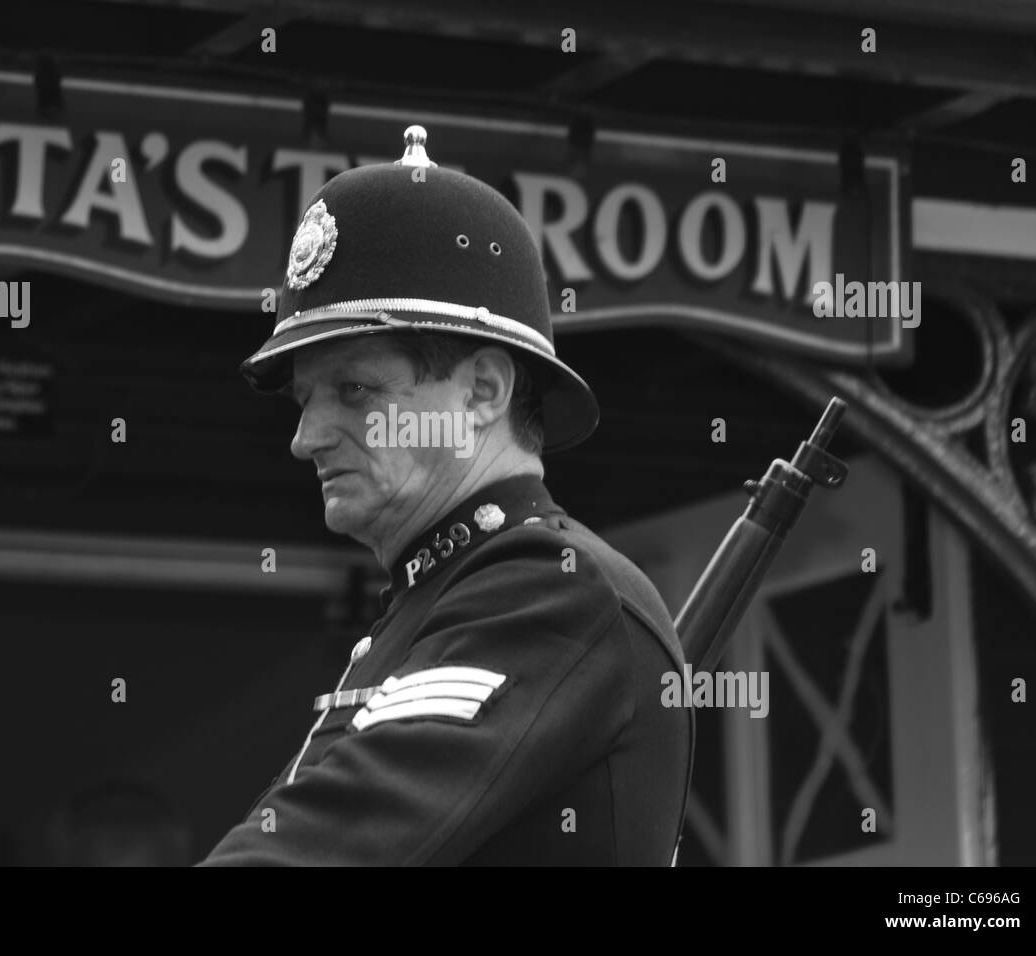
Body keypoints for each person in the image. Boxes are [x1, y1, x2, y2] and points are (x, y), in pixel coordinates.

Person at [200, 127, 693, 865]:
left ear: (483, 390)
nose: (307, 438)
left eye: (354, 389)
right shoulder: (448, 598)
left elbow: (323, 849)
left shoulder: (547, 591)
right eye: (305, 401)